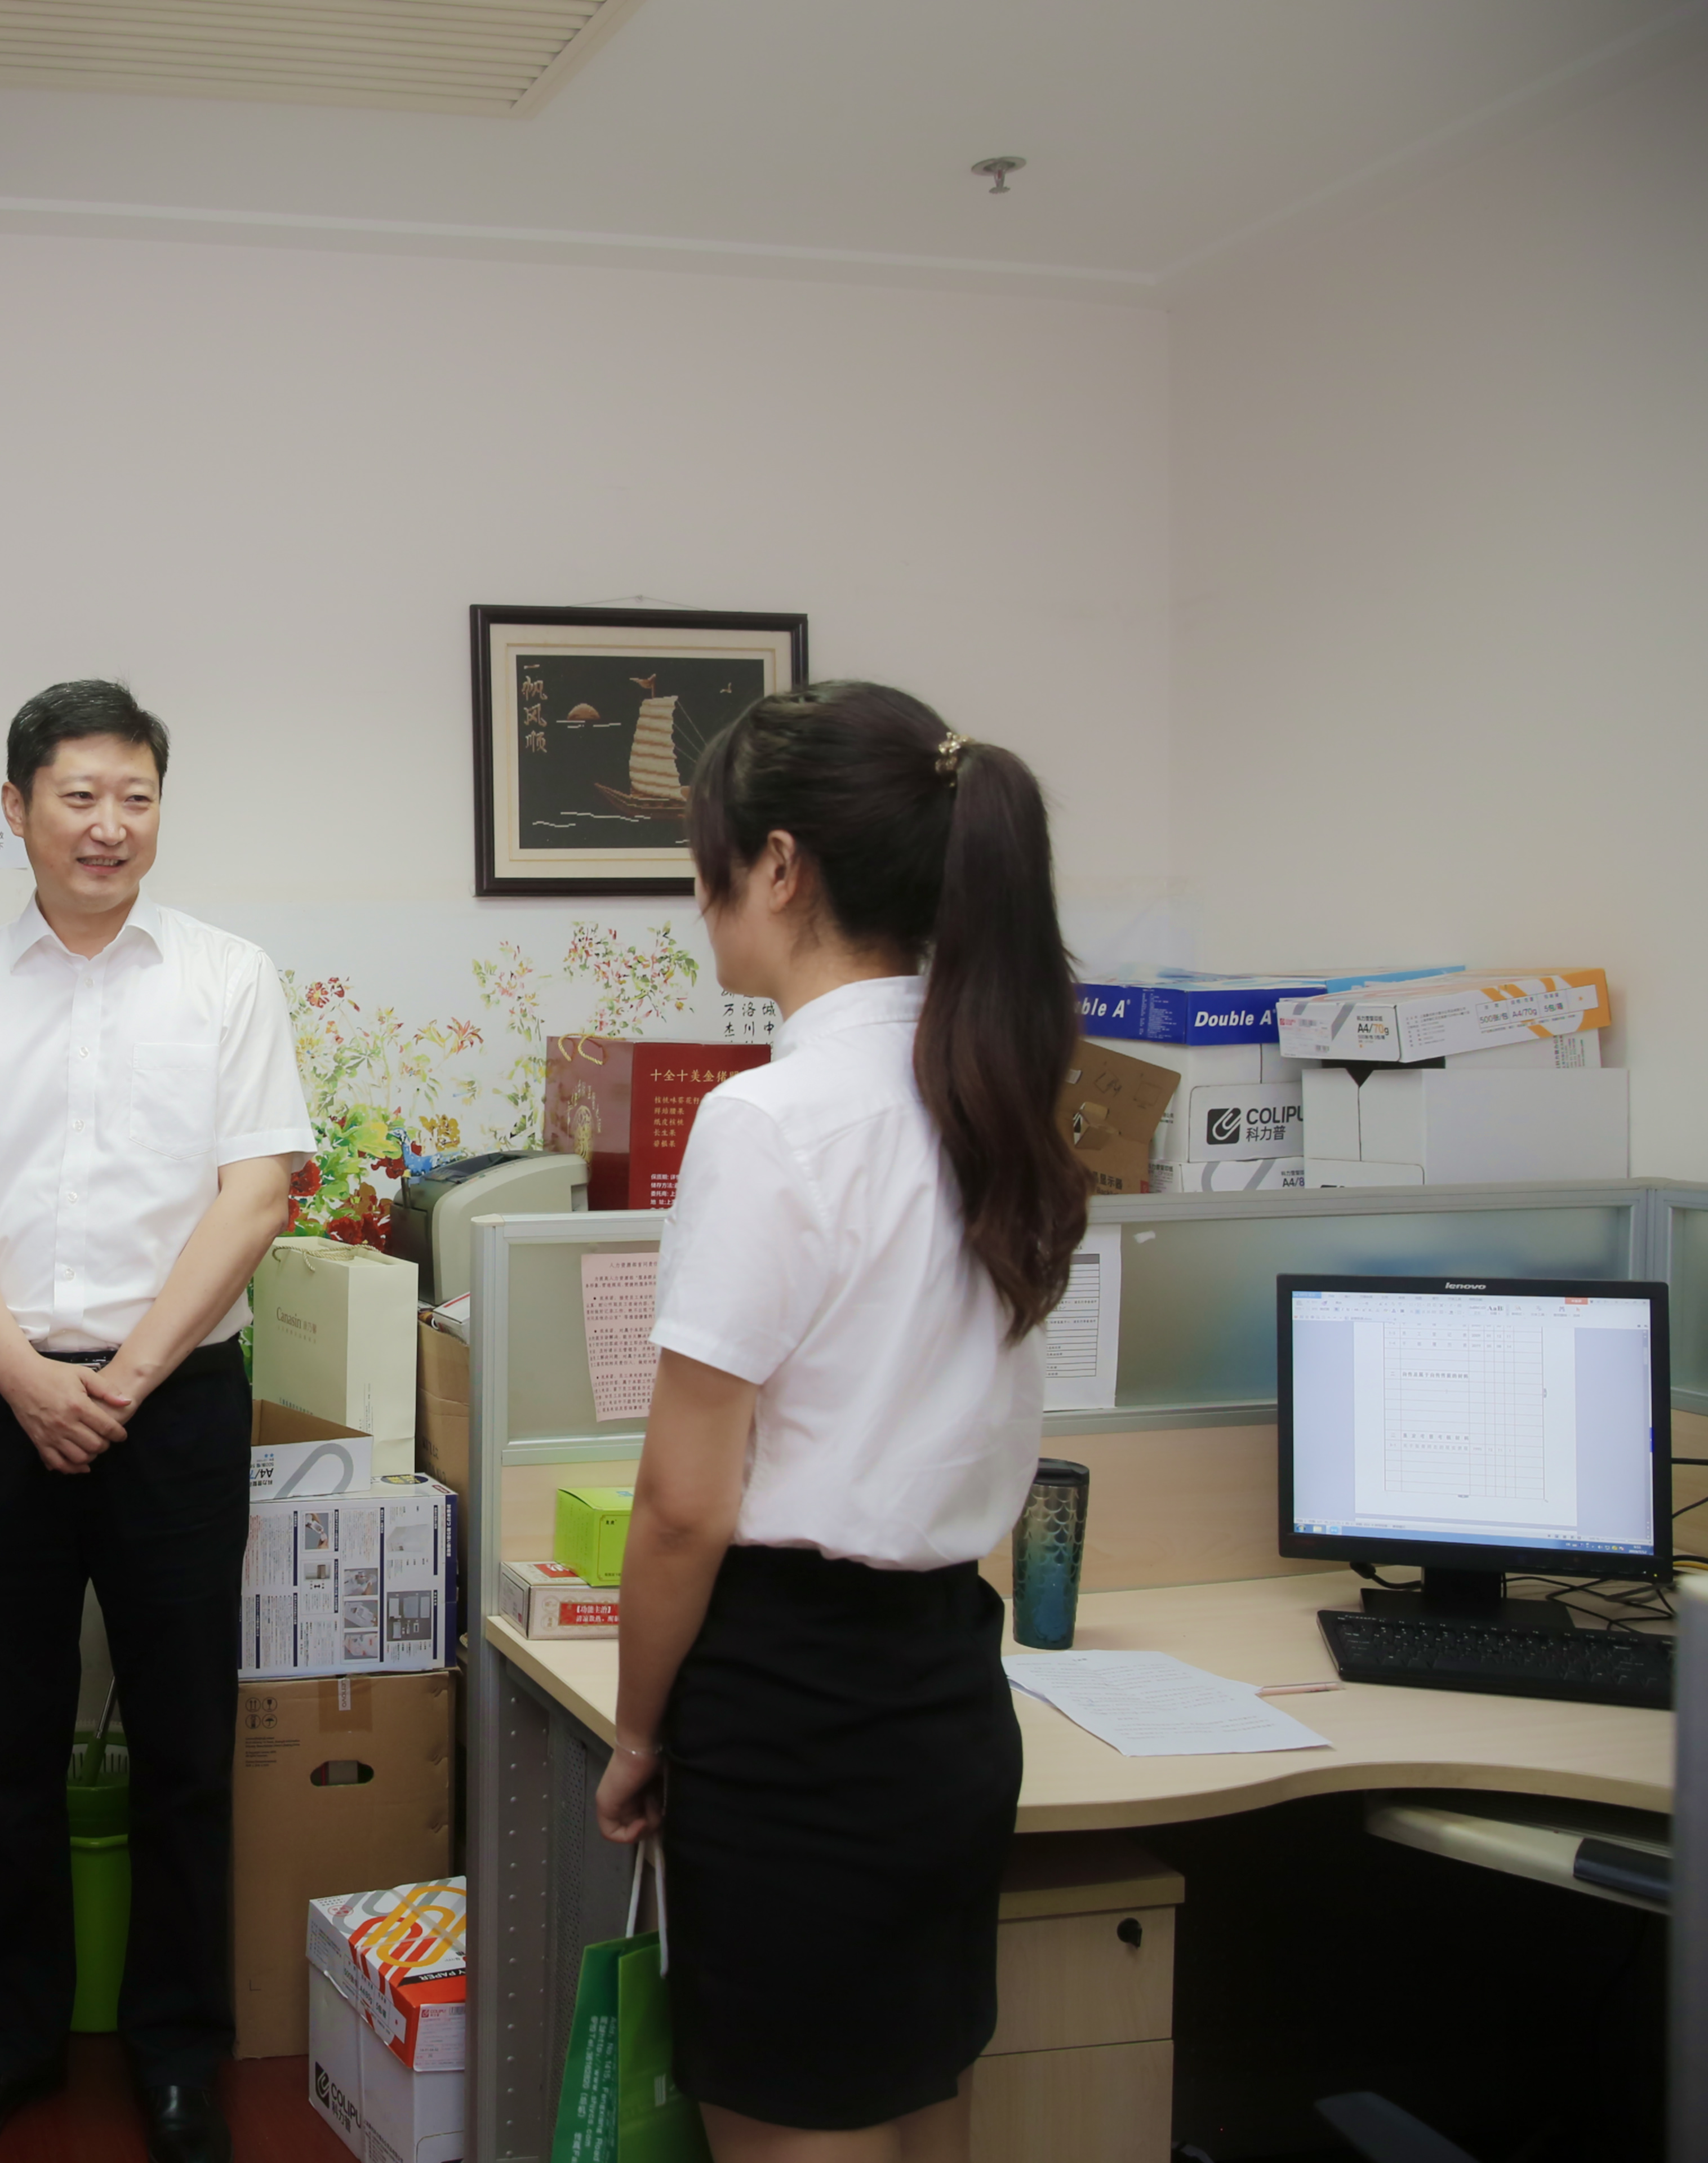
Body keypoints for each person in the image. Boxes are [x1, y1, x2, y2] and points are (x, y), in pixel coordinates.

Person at [590, 683, 1091, 2163]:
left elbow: (684, 1504)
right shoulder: (993, 1087)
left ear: (779, 865)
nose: (699, 898)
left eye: (706, 860)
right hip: (947, 1696)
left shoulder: (772, 1119)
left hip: (794, 1718)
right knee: (921, 2120)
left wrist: (635, 1732)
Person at [0, 680, 311, 2163]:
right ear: (17, 810)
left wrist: (127, 1379)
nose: (109, 825)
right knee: (8, 1749)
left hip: (174, 1408)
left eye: (136, 797)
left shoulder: (228, 978)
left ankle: (180, 2055)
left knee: (186, 1742)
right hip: (6, 1403)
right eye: (79, 796)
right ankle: (12, 2043)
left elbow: (257, 1194)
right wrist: (27, 1379)